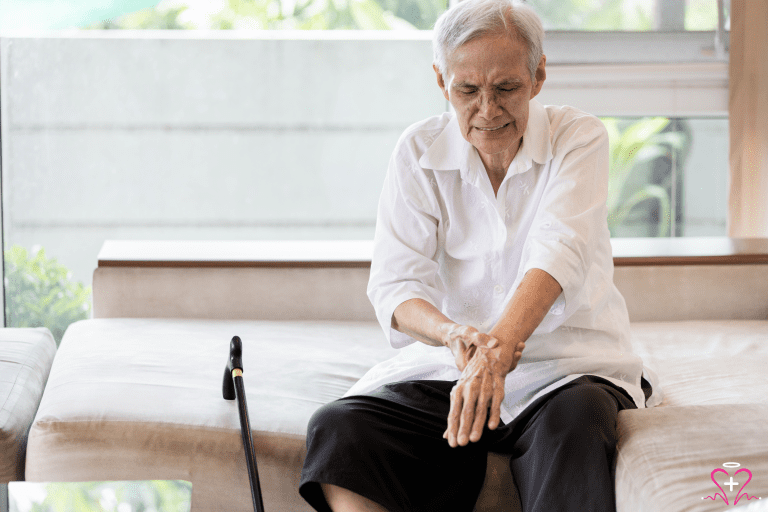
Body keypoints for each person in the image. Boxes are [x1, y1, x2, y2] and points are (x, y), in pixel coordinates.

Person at [299, 1, 661, 511]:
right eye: (467, 90)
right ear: (441, 81)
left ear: (537, 77)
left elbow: (559, 252)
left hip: (565, 371)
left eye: (506, 88)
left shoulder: (578, 137)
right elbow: (396, 286)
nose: (487, 110)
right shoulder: (417, 151)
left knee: (576, 420)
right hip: (453, 370)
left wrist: (499, 349)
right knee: (338, 427)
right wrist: (455, 336)